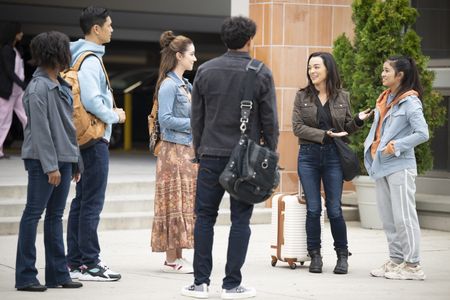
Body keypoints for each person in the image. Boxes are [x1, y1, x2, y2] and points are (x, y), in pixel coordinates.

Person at [182, 16, 278, 299]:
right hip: (246, 157)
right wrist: (269, 154)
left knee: (204, 219)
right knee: (240, 221)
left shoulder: (206, 70)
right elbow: (270, 121)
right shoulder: (260, 72)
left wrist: (199, 150)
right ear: (250, 40)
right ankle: (232, 284)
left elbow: (196, 117)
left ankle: (200, 283)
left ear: (225, 40)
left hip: (210, 153)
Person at [292, 52, 372, 275]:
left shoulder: (342, 97)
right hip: (308, 156)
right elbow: (297, 127)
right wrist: (324, 134)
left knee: (335, 209)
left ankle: (342, 255)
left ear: (328, 68)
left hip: (333, 157)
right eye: (309, 68)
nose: (312, 71)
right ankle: (315, 255)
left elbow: (347, 126)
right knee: (313, 209)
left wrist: (358, 120)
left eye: (316, 67)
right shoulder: (302, 96)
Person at [15, 31, 83, 292]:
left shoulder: (60, 84)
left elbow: (68, 127)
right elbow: (41, 130)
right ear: (55, 53)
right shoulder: (38, 87)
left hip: (64, 160)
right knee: (33, 214)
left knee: (55, 216)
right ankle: (26, 275)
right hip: (44, 161)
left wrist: (75, 161)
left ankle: (57, 273)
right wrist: (51, 166)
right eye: (65, 49)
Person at [66, 6, 126, 281]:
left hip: (83, 140)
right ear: (96, 29)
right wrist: (115, 115)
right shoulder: (90, 60)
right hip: (94, 138)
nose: (113, 29)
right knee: (91, 202)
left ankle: (75, 261)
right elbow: (92, 100)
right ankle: (90, 263)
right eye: (109, 25)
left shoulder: (79, 56)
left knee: (82, 201)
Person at [365, 55, 429, 281]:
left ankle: (413, 265)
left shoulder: (410, 101)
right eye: (383, 70)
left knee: (404, 217)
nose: (382, 74)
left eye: (386, 71)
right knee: (388, 217)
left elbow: (422, 133)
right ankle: (396, 260)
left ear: (400, 75)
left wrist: (397, 146)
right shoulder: (385, 98)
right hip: (381, 165)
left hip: (400, 166)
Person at [150, 31, 198, 273]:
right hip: (172, 152)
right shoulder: (169, 85)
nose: (195, 58)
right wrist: (194, 124)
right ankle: (171, 258)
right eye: (191, 54)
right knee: (173, 202)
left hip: (185, 151)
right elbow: (165, 119)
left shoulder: (185, 84)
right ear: (179, 56)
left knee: (182, 202)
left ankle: (177, 255)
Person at [0, 21, 27, 159]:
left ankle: (33, 146)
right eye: (19, 31)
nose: (22, 34)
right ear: (14, 34)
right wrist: (23, 84)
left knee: (27, 118)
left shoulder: (16, 49)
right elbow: (9, 72)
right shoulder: (6, 49)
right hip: (7, 92)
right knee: (3, 121)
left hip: (17, 92)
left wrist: (22, 85)